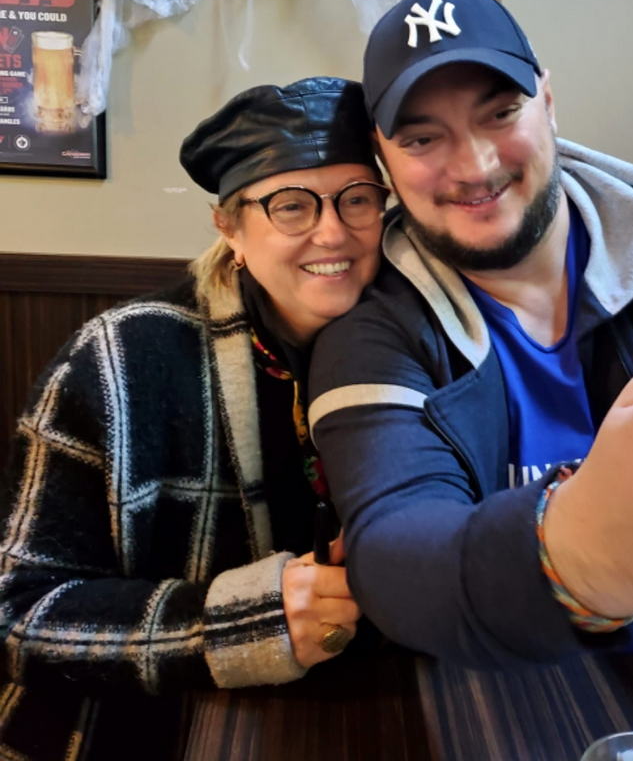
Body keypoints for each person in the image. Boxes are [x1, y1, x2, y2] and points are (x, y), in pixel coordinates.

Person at [308, 0, 633, 666]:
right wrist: (584, 553)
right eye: (422, 138)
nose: (475, 166)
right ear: (384, 159)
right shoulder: (373, 335)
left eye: (501, 113)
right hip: (509, 690)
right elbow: (393, 556)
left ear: (549, 103)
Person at [0, 78, 389, 759]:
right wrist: (239, 624)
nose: (333, 231)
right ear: (230, 228)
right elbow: (16, 615)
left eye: (357, 199)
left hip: (364, 709)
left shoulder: (418, 343)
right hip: (143, 727)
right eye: (290, 206)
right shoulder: (122, 360)